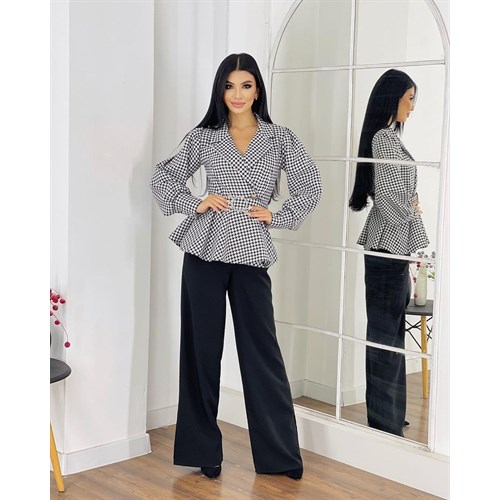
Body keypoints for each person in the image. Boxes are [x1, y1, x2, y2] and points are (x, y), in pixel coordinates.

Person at [151, 53, 322, 479]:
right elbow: (163, 177)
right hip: (204, 249)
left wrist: (277, 215)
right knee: (201, 351)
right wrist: (195, 201)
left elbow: (310, 186)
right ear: (220, 90)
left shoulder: (280, 138)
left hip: (250, 251)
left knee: (262, 352)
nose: (238, 94)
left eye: (246, 85)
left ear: (257, 89)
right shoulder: (205, 137)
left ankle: (280, 456)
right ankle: (203, 452)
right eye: (229, 86)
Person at [348, 69, 429, 437]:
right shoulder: (383, 139)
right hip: (385, 249)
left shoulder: (390, 138)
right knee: (384, 338)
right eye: (410, 98)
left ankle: (391, 415)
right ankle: (383, 421)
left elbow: (399, 198)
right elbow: (391, 202)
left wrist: (410, 203)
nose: (412, 106)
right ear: (393, 98)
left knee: (392, 335)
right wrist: (412, 205)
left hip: (391, 249)